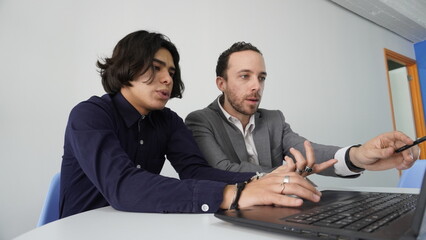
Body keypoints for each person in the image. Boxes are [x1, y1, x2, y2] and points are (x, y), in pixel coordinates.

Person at [59, 30, 338, 219]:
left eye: (171, 71)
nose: (168, 79)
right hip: (81, 229)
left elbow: (196, 171)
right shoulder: (89, 116)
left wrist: (265, 181)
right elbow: (123, 186)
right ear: (126, 67)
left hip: (138, 224)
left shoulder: (167, 121)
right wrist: (233, 194)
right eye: (155, 67)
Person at [185, 42, 419, 178]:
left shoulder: (274, 119)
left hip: (287, 210)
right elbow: (223, 169)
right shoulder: (200, 120)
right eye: (245, 76)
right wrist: (291, 174)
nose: (256, 86)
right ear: (221, 83)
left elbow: (308, 151)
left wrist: (357, 156)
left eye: (261, 77)